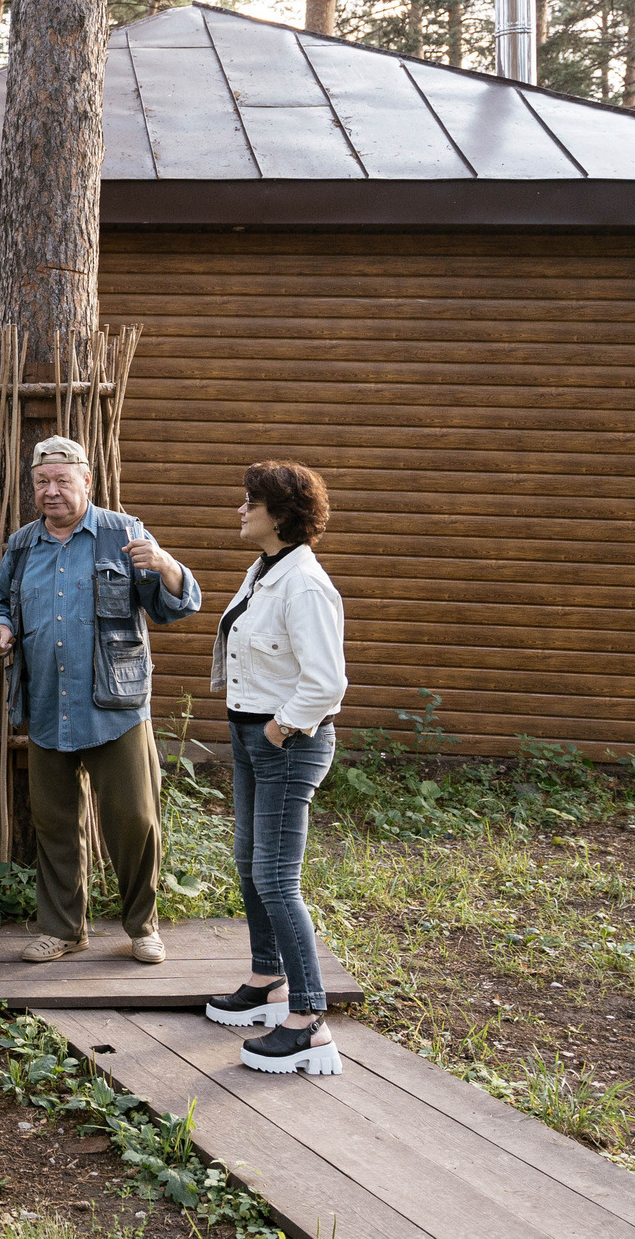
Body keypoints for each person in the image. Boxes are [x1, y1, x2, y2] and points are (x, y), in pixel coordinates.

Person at [0, 435, 201, 964]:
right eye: (42, 482)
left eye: (62, 480)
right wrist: (1, 626)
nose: (51, 491)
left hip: (114, 706)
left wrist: (167, 564)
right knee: (55, 823)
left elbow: (176, 606)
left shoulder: (123, 534)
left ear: (87, 482)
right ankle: (63, 929)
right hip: (47, 704)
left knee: (134, 818)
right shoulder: (21, 545)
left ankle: (143, 925)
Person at [202, 460, 349, 1076]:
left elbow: (326, 683)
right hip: (252, 735)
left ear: (281, 515)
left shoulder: (305, 585)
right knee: (248, 862)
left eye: (251, 503)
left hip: (286, 741)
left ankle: (309, 1020)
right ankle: (269, 981)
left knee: (276, 877)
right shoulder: (263, 573)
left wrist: (277, 729)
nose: (240, 510)